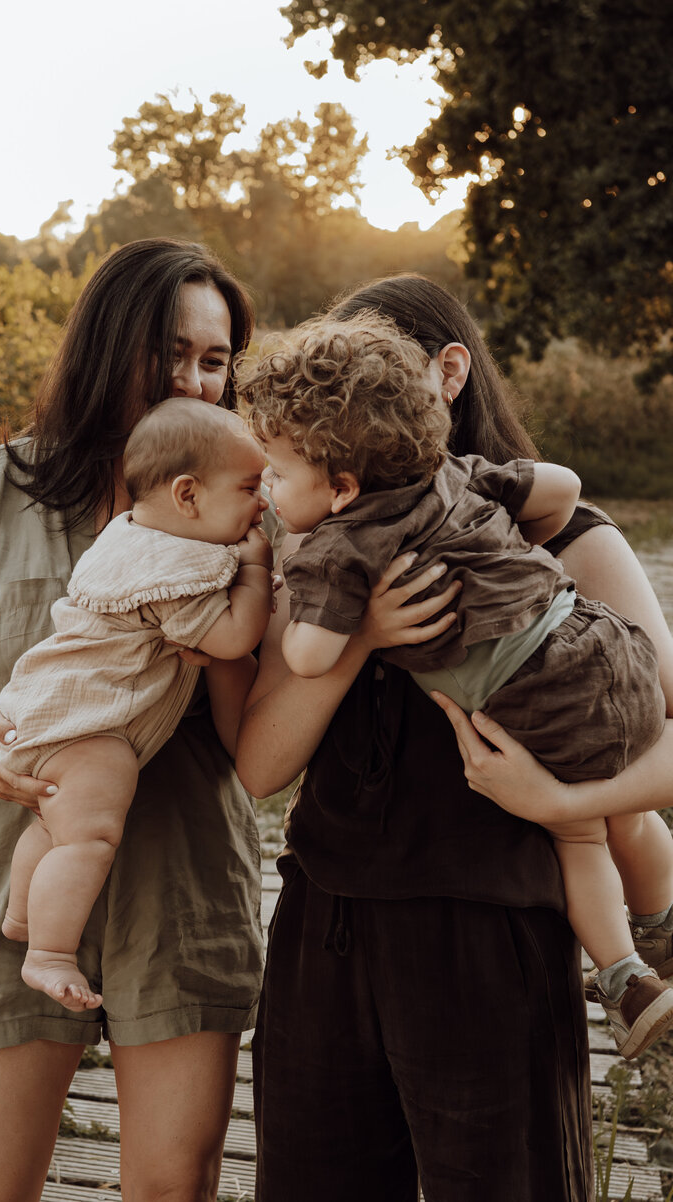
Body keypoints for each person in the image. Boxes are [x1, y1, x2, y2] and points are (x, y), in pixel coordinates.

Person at [235, 273, 673, 1202]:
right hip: (327, 930)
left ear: (448, 372)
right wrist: (367, 630)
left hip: (495, 937)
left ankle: (650, 941)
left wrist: (567, 806)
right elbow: (262, 768)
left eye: (370, 369)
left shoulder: (569, 544)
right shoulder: (320, 551)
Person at [0, 238, 284, 1202]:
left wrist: (230, 632)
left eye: (215, 360)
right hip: (14, 878)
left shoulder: (244, 506)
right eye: (170, 350)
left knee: (171, 1190)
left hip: (183, 882)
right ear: (106, 345)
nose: (193, 379)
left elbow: (253, 743)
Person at [0, 399, 273, 1011]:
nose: (263, 503)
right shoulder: (175, 568)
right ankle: (48, 954)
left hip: (46, 711)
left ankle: (24, 915)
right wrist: (255, 570)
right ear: (187, 494)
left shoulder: (131, 538)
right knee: (91, 835)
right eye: (251, 487)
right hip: (84, 725)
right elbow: (232, 637)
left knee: (53, 825)